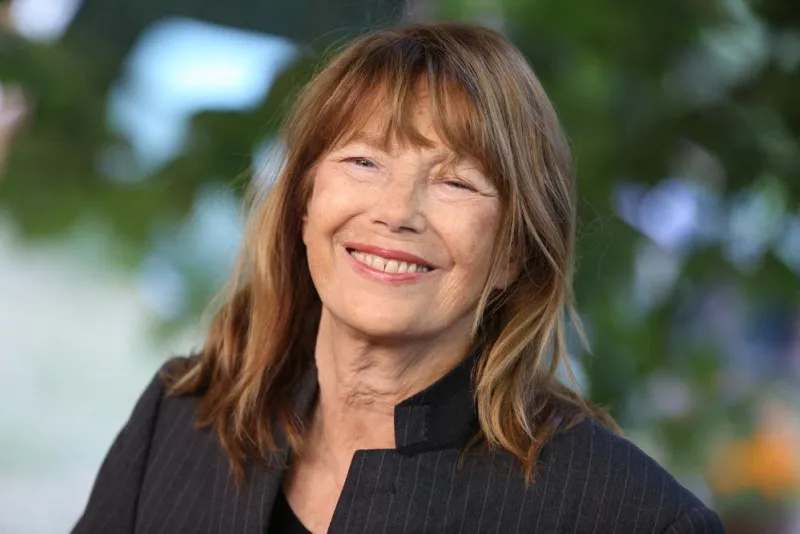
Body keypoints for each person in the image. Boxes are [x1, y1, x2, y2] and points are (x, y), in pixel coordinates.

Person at [71, 23, 724, 533]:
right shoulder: (183, 419)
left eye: (456, 181)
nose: (396, 212)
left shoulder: (628, 518)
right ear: (303, 202)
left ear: (514, 255)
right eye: (363, 160)